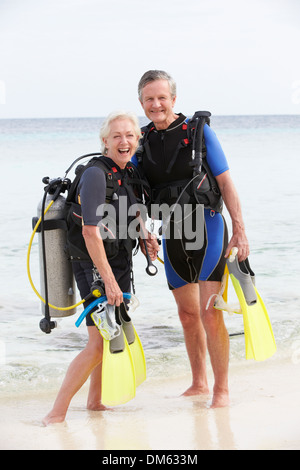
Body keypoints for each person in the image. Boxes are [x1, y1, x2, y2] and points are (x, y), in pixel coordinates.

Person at [135, 70, 249, 408]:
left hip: (210, 227)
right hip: (172, 233)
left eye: (162, 97)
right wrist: (143, 233)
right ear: (141, 103)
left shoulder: (199, 132)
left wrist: (240, 230)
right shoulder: (140, 141)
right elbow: (138, 195)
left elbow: (227, 183)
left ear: (173, 99)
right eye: (149, 99)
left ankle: (222, 389)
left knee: (210, 312)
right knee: (187, 315)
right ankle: (199, 382)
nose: (156, 104)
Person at [43, 111, 156, 426]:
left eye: (130, 135)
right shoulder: (96, 174)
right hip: (92, 265)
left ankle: (95, 402)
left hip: (118, 260)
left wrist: (146, 237)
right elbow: (90, 232)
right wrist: (107, 279)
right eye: (117, 136)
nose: (124, 141)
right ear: (105, 141)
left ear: (137, 140)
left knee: (110, 332)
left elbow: (134, 211)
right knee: (97, 344)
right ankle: (55, 413)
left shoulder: (129, 171)